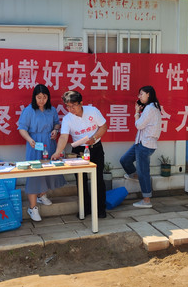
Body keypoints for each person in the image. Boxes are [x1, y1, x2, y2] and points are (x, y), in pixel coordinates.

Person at [52, 90, 108, 218]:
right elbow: (64, 137)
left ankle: (100, 208)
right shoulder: (67, 119)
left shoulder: (92, 111)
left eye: (74, 106)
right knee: (81, 180)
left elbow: (103, 126)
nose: (71, 109)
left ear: (81, 103)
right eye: (68, 106)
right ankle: (85, 208)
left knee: (98, 179)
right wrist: (57, 152)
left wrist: (94, 138)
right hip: (79, 151)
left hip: (95, 147)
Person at [18, 84, 65, 221]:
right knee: (34, 173)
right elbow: (22, 128)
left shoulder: (52, 110)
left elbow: (56, 123)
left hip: (49, 144)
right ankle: (32, 208)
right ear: (34, 97)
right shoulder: (29, 110)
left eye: (44, 97)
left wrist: (55, 130)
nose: (42, 100)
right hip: (35, 144)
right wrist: (29, 139)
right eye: (39, 97)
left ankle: (42, 194)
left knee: (49, 170)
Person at [120, 86, 162, 208]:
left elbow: (138, 125)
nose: (139, 97)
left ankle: (146, 200)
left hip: (145, 145)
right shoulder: (151, 107)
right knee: (125, 160)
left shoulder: (150, 108)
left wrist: (137, 112)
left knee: (144, 172)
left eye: (141, 94)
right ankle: (136, 175)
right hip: (140, 143)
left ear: (148, 94)